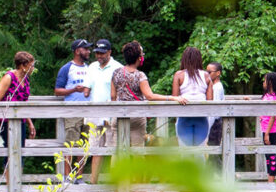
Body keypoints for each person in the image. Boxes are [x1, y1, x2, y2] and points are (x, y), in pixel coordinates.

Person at [112, 41, 187, 147]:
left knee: (117, 151)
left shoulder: (116, 73)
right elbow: (150, 96)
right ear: (139, 58)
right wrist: (173, 98)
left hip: (119, 115)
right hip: (136, 116)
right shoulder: (139, 75)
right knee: (137, 151)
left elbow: (113, 96)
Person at [0, 51, 36, 186]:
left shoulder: (26, 79)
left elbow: (23, 103)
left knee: (19, 154)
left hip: (20, 121)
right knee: (9, 154)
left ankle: (17, 186)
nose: (33, 68)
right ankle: (10, 188)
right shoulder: (9, 77)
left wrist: (30, 123)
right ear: (23, 65)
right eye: (31, 65)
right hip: (6, 121)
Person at [84, 39, 123, 184]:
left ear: (109, 52)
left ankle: (115, 183)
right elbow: (87, 89)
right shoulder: (92, 67)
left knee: (114, 150)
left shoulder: (117, 67)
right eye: (97, 53)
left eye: (102, 53)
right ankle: (93, 183)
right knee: (95, 149)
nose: (99, 56)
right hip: (94, 114)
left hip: (111, 114)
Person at [54, 39, 92, 181]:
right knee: (71, 144)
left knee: (84, 145)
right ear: (77, 51)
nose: (88, 51)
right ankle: (67, 176)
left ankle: (79, 176)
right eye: (85, 49)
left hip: (88, 112)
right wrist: (73, 90)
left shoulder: (89, 68)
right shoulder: (67, 68)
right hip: (72, 111)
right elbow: (57, 91)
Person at [171, 47, 213, 147]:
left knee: (185, 154)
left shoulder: (179, 75)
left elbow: (174, 97)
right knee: (200, 153)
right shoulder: (206, 76)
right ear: (199, 59)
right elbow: (210, 100)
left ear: (184, 59)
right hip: (201, 117)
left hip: (184, 116)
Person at [258, 72, 276, 183]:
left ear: (270, 83)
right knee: (267, 153)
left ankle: (271, 181)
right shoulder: (266, 95)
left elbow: (273, 116)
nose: (263, 83)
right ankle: (270, 179)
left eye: (265, 80)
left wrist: (267, 133)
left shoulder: (274, 98)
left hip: (271, 129)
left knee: (271, 154)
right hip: (265, 127)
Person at [206, 61, 225, 147]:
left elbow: (214, 111)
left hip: (214, 125)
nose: (207, 74)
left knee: (212, 156)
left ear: (218, 73)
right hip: (214, 123)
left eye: (209, 72)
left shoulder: (216, 88)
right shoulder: (214, 86)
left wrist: (207, 130)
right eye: (206, 72)